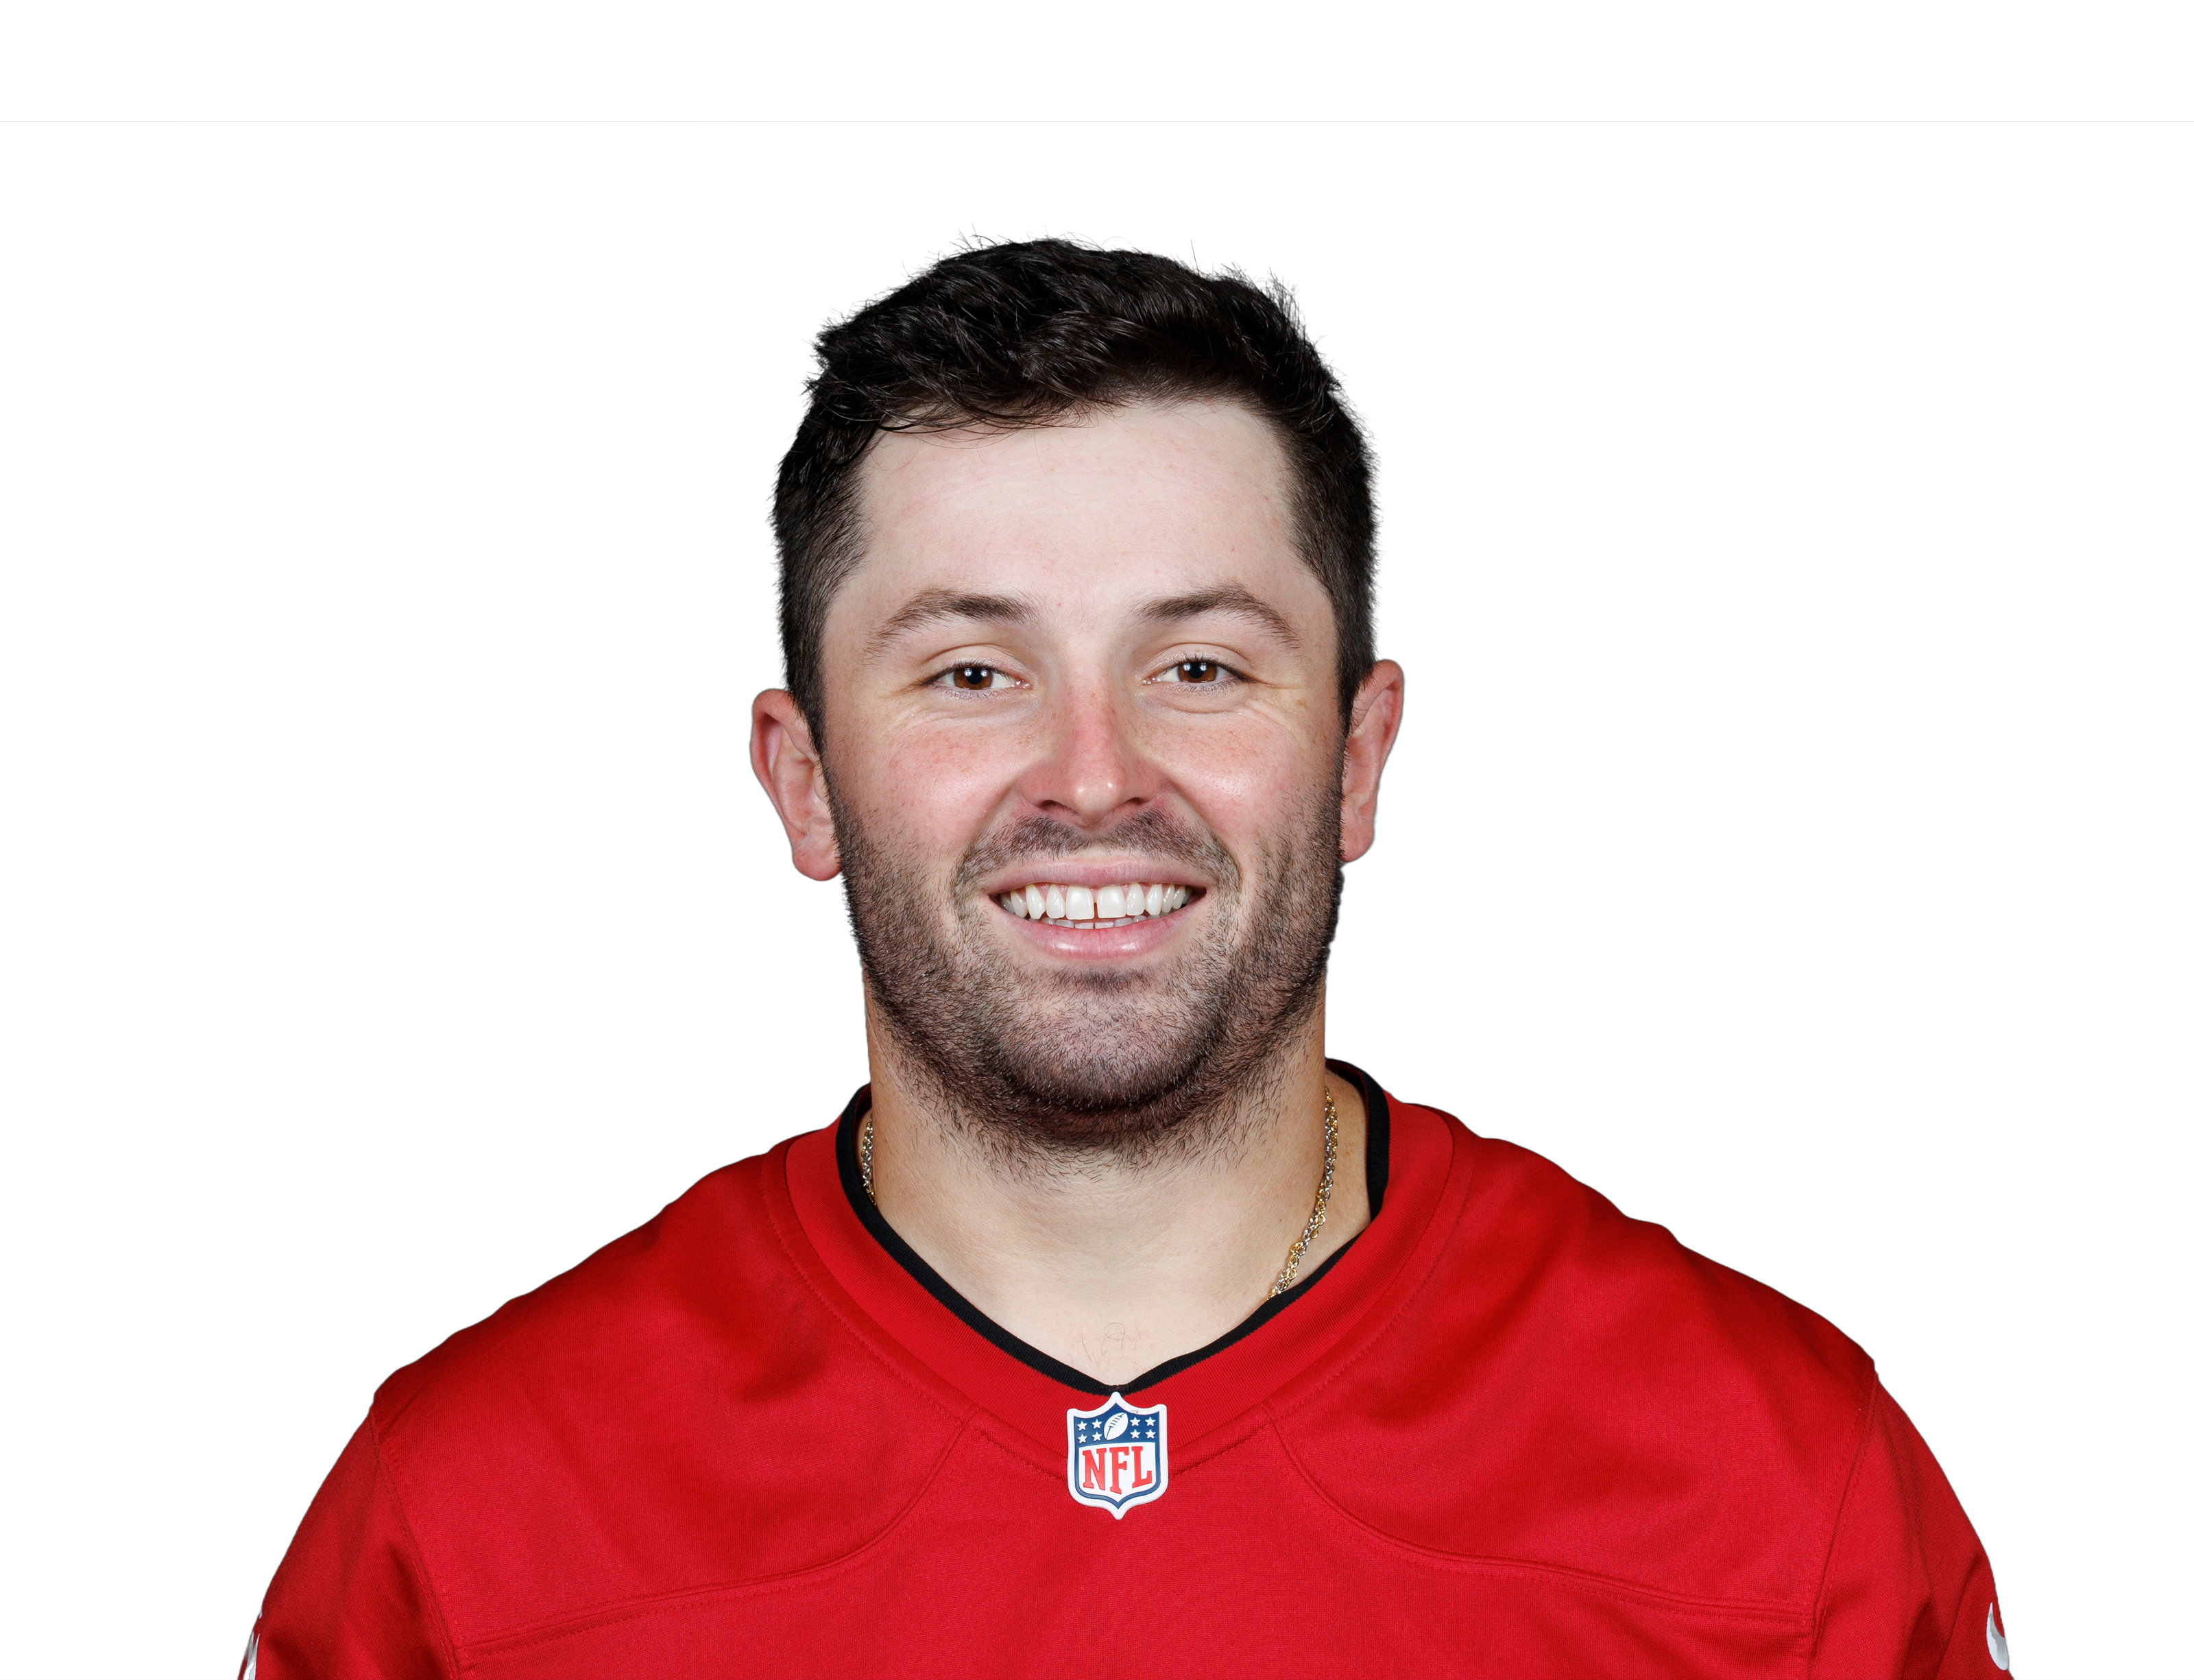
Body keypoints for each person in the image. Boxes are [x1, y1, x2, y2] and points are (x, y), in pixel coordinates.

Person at [245, 241, 2011, 1678]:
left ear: (1359, 761)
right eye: (970, 672)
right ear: (803, 781)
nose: (1093, 777)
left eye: (1200, 667)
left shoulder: (1784, 1484)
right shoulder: (462, 1516)